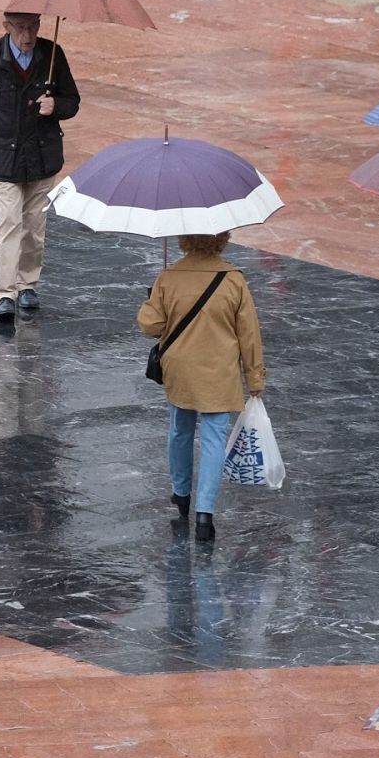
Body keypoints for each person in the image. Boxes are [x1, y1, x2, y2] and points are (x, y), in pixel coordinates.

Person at [137, 232, 266, 542]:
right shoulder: (234, 281)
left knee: (180, 430)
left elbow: (149, 326)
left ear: (184, 239)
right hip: (219, 373)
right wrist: (255, 379)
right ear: (222, 239)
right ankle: (205, 513)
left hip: (180, 369)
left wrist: (152, 297)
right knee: (213, 439)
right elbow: (249, 335)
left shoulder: (169, 277)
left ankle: (181, 493)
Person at [0, 10, 81, 319]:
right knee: (10, 223)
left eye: (32, 27)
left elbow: (72, 101)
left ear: (39, 26)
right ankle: (5, 292)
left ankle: (28, 285)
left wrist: (56, 107)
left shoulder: (52, 55)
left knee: (35, 227)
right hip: (3, 159)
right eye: (20, 28)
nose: (27, 35)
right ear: (6, 27)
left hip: (42, 158)